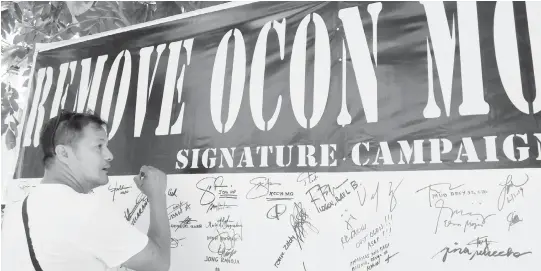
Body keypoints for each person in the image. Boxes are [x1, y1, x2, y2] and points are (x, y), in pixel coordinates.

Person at [1, 110, 171, 271]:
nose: (109, 155)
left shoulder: (13, 213)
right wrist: (156, 195)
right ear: (64, 154)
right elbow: (158, 263)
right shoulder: (86, 210)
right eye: (99, 146)